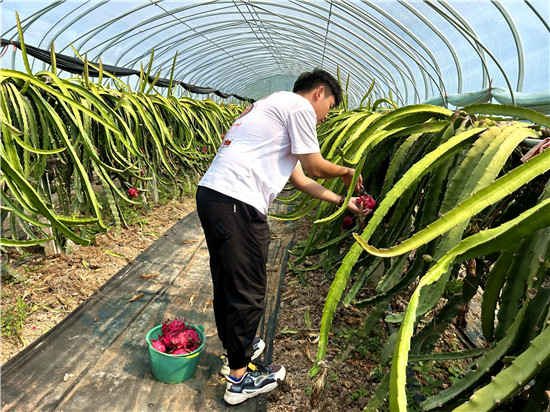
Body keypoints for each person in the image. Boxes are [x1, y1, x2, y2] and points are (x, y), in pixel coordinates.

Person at [195, 68, 363, 405]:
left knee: (228, 281)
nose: (325, 116)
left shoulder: (272, 107)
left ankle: (235, 351)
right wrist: (347, 171)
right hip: (237, 202)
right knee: (248, 290)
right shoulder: (298, 107)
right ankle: (239, 380)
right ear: (318, 93)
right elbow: (316, 167)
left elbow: (301, 178)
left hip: (214, 195)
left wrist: (344, 201)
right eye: (329, 107)